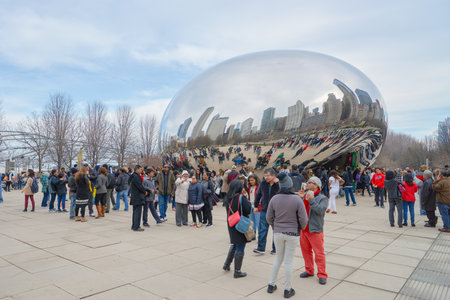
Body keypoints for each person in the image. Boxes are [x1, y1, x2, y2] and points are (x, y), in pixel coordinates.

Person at [266, 173, 308, 298]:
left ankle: (271, 284)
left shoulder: (274, 199)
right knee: (288, 262)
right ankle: (287, 289)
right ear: (290, 185)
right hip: (292, 232)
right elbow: (304, 219)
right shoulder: (296, 199)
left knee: (278, 259)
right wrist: (300, 228)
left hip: (278, 232)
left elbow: (268, 217)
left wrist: (275, 226)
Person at [299, 176, 328, 285]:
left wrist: (311, 200)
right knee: (306, 252)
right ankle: (309, 270)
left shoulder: (322, 198)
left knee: (319, 253)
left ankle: (322, 274)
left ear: (316, 185)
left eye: (309, 182)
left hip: (315, 229)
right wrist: (301, 198)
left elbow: (320, 211)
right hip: (304, 229)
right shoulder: (305, 195)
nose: (307, 183)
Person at [223, 180, 251, 278]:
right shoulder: (241, 197)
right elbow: (248, 209)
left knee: (235, 243)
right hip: (240, 224)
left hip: (231, 223)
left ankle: (226, 265)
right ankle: (237, 271)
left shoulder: (227, 197)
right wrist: (246, 198)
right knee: (240, 246)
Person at [254, 168, 280, 255]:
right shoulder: (263, 183)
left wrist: (278, 183)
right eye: (265, 176)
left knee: (276, 230)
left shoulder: (279, 184)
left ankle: (275, 249)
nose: (266, 177)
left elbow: (285, 193)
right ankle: (261, 248)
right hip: (265, 210)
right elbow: (258, 195)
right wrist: (255, 206)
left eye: (268, 175)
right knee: (262, 229)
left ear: (273, 175)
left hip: (276, 211)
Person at [130, 165, 147, 231]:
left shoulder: (133, 176)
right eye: (140, 169)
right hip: (137, 196)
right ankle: (136, 226)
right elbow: (139, 186)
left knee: (135, 212)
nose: (141, 171)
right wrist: (144, 191)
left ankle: (134, 225)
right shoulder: (136, 177)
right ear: (136, 169)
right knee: (137, 212)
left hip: (134, 196)